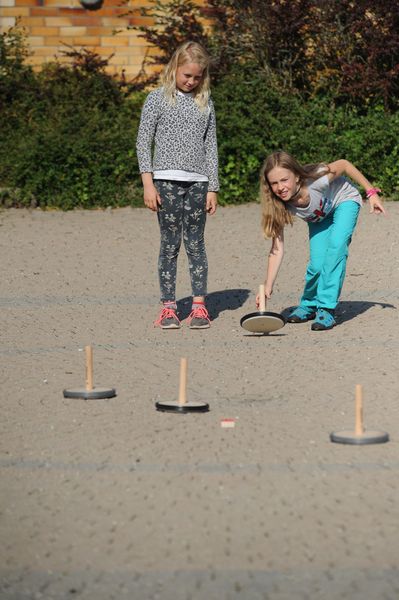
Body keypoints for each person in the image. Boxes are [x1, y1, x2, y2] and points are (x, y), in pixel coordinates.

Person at [136, 41, 219, 330]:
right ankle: (169, 307)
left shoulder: (205, 102)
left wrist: (213, 187)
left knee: (196, 244)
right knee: (170, 244)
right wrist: (148, 183)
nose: (191, 81)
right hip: (165, 182)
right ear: (174, 69)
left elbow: (211, 146)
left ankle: (199, 306)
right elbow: (142, 142)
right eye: (186, 75)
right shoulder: (156, 99)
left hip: (198, 182)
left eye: (197, 77)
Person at [257, 150, 386, 330]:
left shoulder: (315, 181)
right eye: (274, 183)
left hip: (344, 201)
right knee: (317, 265)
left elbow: (344, 163)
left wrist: (371, 192)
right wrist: (268, 285)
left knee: (336, 247)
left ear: (296, 176)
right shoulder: (278, 204)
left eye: (284, 180)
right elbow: (276, 249)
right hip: (319, 218)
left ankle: (326, 308)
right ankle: (309, 304)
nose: (280, 187)